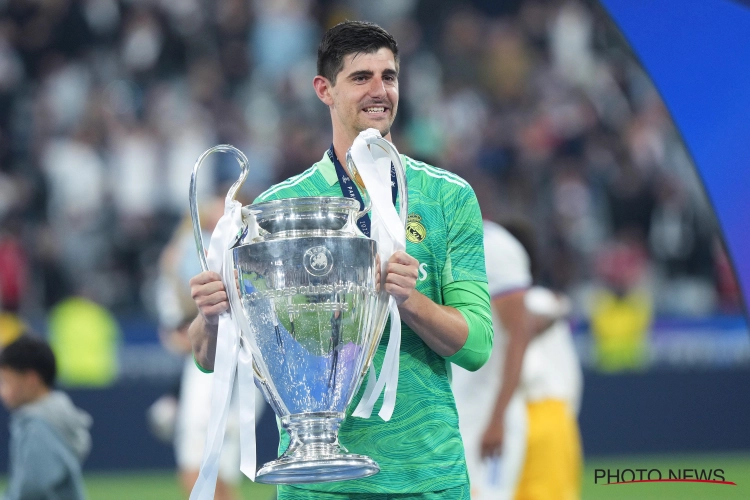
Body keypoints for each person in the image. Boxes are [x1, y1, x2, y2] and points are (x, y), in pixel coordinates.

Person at [188, 20, 494, 500]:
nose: (380, 91)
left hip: (428, 478)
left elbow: (476, 346)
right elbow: (207, 358)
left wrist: (409, 300)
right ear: (324, 90)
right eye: (361, 77)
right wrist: (210, 317)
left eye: (388, 76)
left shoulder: (447, 198)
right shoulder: (280, 208)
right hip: (317, 484)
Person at [452, 221, 582, 500]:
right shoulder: (544, 300)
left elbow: (527, 332)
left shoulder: (531, 302)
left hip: (536, 410)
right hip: (544, 412)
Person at [0, 335, 92, 500]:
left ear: (31, 380)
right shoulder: (56, 418)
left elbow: (32, 489)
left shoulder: (37, 426)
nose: (2, 391)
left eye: (6, 381)